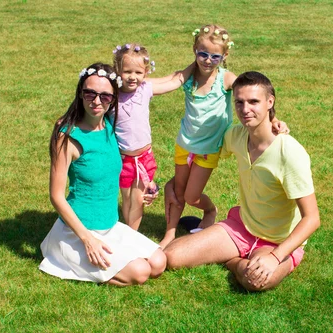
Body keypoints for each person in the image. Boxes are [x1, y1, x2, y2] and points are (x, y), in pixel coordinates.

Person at [164, 71, 320, 291]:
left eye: (254, 101)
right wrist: (174, 183)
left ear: (270, 102)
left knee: (257, 281)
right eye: (239, 102)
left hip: (278, 241)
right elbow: (201, 154)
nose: (245, 110)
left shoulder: (289, 152)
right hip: (242, 227)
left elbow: (312, 218)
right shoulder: (236, 136)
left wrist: (275, 257)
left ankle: (232, 260)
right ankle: (237, 258)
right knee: (171, 257)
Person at [39, 63, 166, 286]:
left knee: (158, 262)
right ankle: (62, 255)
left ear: (113, 98)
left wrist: (147, 184)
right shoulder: (67, 134)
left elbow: (127, 161)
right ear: (80, 93)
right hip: (79, 231)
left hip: (110, 224)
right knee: (140, 272)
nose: (97, 101)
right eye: (90, 93)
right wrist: (88, 240)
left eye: (105, 96)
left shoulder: (109, 124)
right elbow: (56, 196)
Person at [161, 24, 286, 247]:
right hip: (185, 144)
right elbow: (169, 80)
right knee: (178, 191)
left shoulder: (225, 79)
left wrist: (273, 119)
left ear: (224, 55)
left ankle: (210, 210)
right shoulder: (189, 76)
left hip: (209, 149)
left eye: (215, 56)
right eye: (203, 54)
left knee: (191, 196)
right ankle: (169, 234)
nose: (208, 60)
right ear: (194, 51)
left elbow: (251, 92)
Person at [111, 43, 192, 231]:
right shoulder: (112, 94)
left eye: (138, 72)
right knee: (127, 199)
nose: (133, 77)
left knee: (138, 199)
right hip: (122, 159)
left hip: (143, 158)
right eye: (127, 71)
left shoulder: (145, 88)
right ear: (117, 70)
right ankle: (128, 230)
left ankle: (131, 234)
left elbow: (174, 81)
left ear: (146, 72)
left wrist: (195, 64)